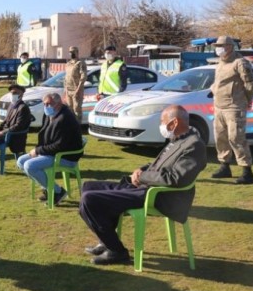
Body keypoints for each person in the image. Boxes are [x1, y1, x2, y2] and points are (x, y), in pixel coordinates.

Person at [79, 105, 206, 265]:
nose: (161, 126)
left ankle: (117, 251)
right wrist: (141, 170)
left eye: (163, 121)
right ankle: (107, 240)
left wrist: (143, 177)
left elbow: (176, 178)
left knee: (90, 200)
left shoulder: (194, 145)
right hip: (146, 187)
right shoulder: (177, 139)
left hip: (160, 196)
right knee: (88, 187)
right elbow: (159, 165)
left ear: (174, 123)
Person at [17, 92, 83, 204]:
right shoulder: (51, 115)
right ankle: (49, 189)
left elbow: (60, 146)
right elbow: (44, 136)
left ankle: (58, 192)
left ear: (58, 104)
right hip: (52, 152)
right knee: (21, 161)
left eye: (48, 104)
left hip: (66, 156)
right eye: (44, 104)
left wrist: (38, 151)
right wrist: (38, 150)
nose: (46, 107)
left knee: (30, 166)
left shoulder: (65, 118)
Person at [209, 35, 253, 184]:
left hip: (234, 107)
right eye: (217, 46)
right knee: (220, 138)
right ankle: (225, 166)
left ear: (230, 47)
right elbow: (218, 83)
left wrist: (247, 101)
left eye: (221, 46)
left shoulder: (240, 63)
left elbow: (250, 84)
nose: (218, 49)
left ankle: (246, 171)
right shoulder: (220, 63)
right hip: (219, 107)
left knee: (236, 138)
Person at [64, 46, 88, 123]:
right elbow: (66, 77)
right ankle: (71, 128)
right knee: (69, 110)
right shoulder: (68, 64)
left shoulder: (80, 63)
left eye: (73, 52)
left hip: (76, 89)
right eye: (70, 52)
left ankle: (78, 128)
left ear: (77, 53)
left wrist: (78, 89)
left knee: (76, 109)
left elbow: (83, 76)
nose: (71, 54)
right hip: (68, 90)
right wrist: (65, 89)